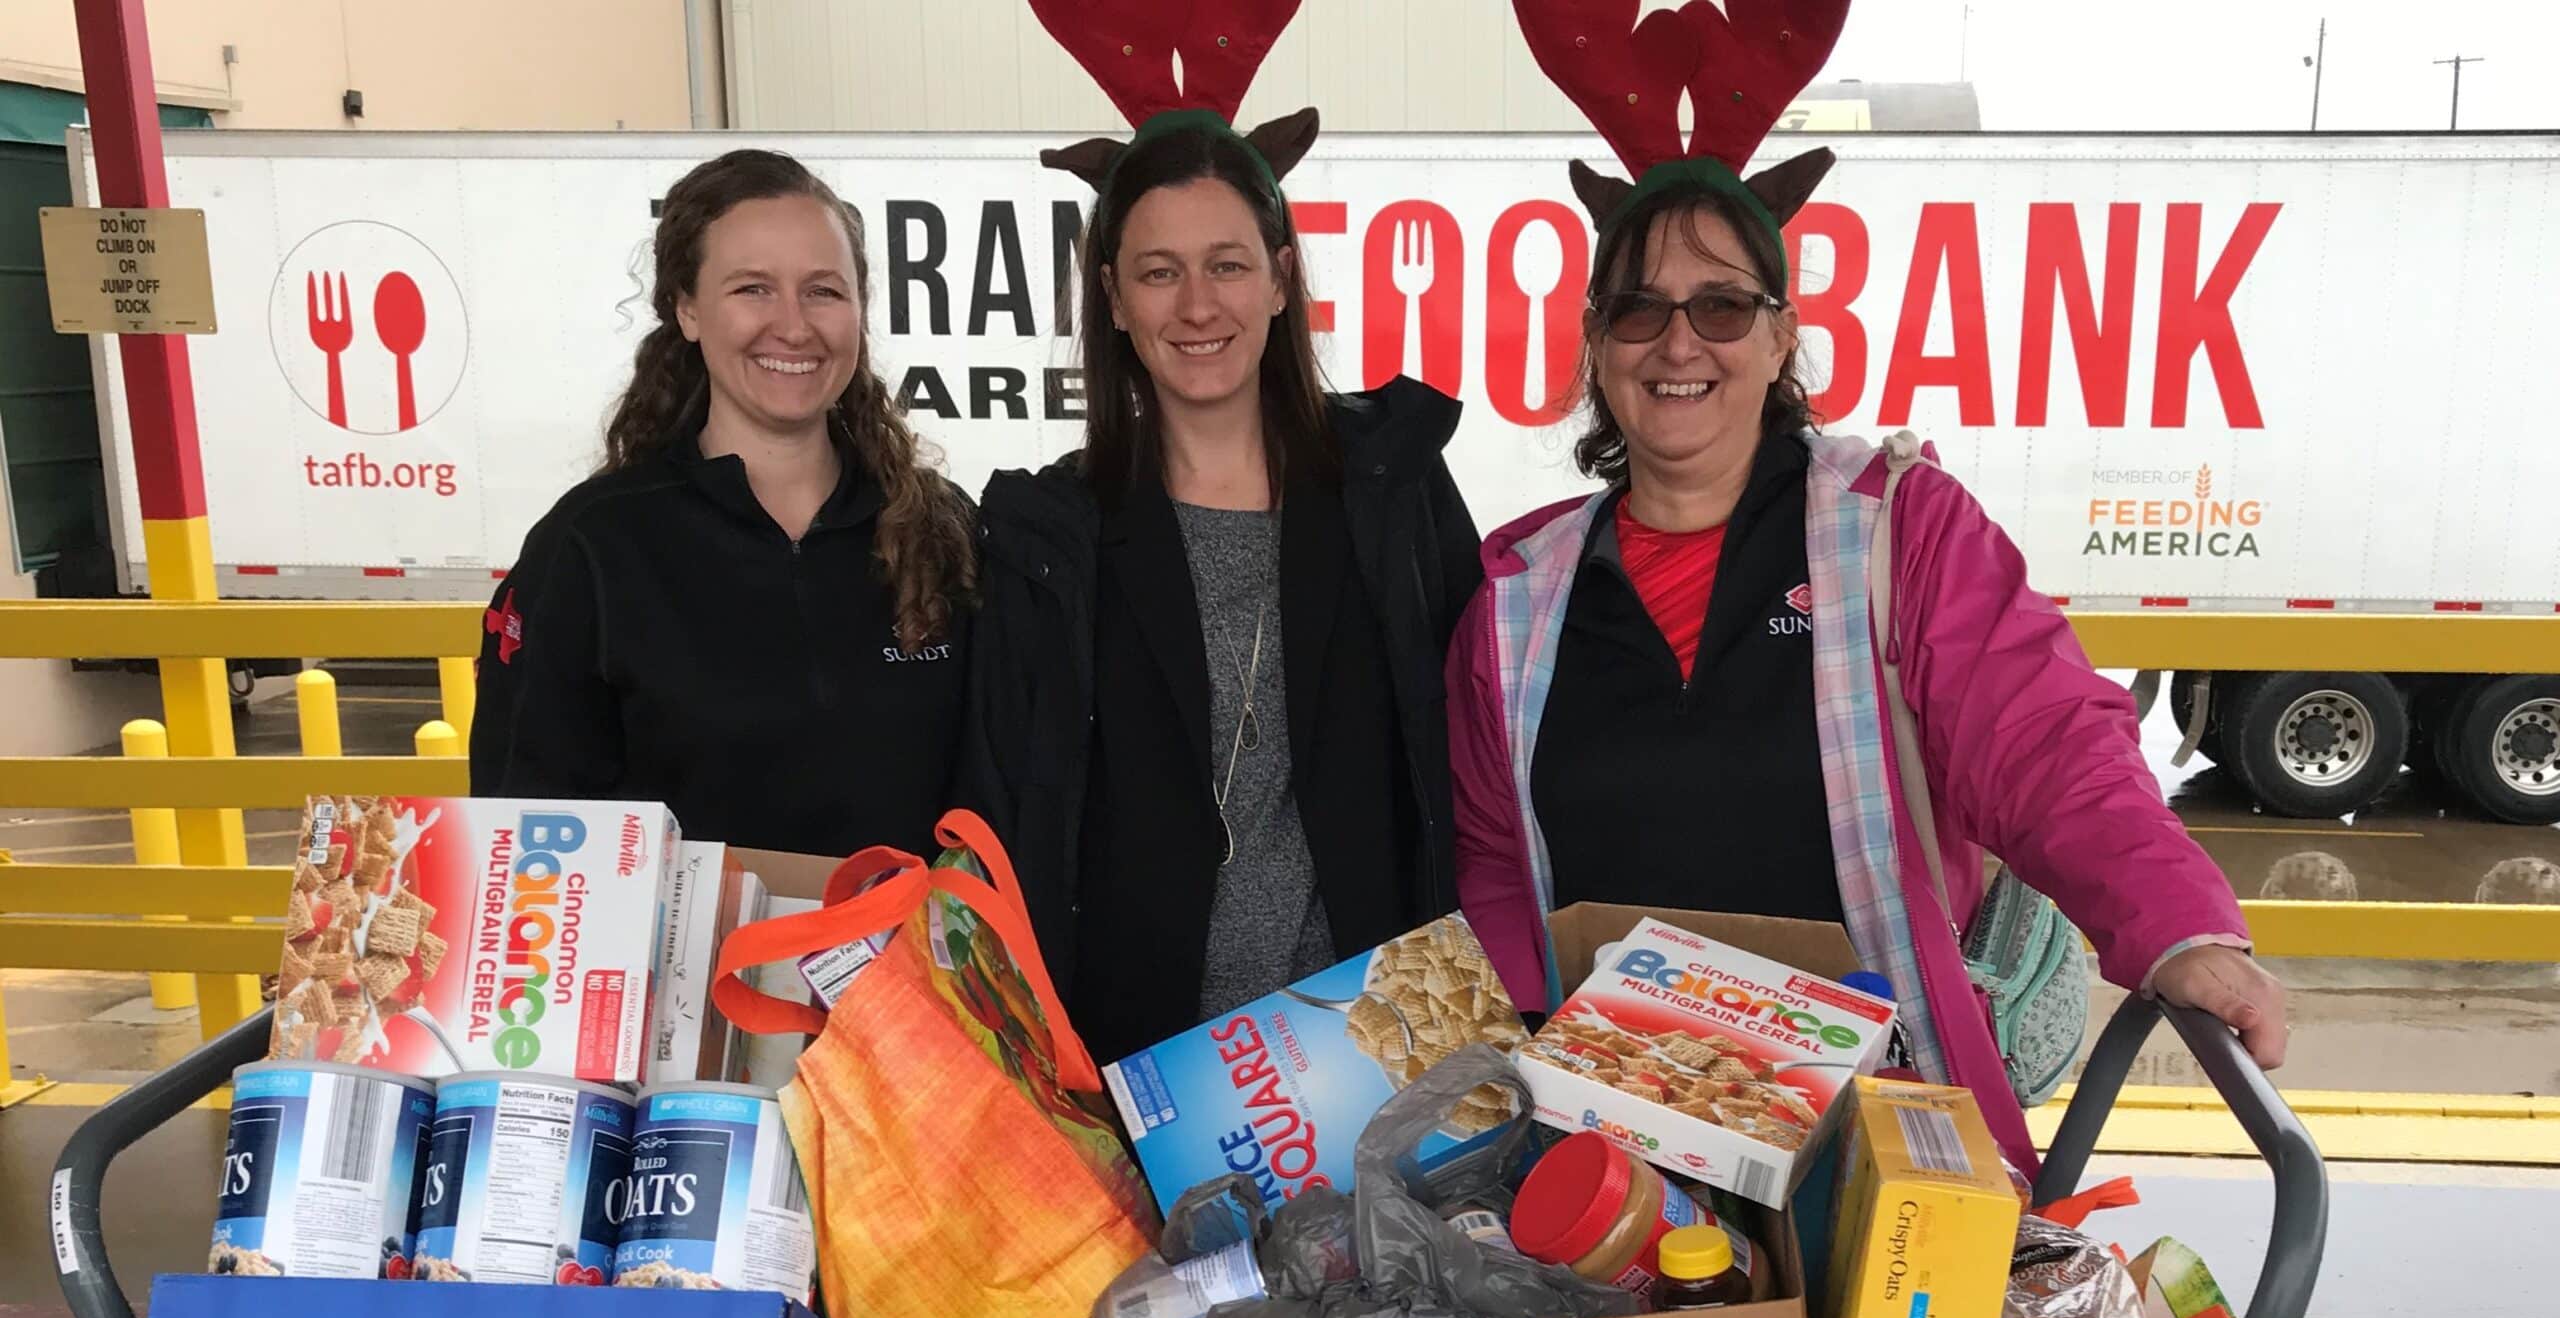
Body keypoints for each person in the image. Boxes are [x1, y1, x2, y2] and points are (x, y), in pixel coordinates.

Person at [1450, 0, 2286, 1172]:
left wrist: (2174, 929)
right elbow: (1494, 862)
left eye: (1723, 306)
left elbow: (2043, 739)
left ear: (1782, 336)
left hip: (1867, 1135)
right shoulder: (1517, 597)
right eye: (1639, 308)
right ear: (1595, 342)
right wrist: (1503, 1101)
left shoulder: (1894, 535)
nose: (1677, 342)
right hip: (1608, 1133)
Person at [966, 36, 1481, 1065]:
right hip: (1142, 1076)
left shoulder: (1393, 486)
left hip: (1383, 1052)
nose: (1197, 306)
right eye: (1159, 273)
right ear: (1113, 300)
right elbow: (998, 824)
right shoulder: (1048, 538)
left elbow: (1475, 764)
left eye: (1227, 265)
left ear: (1281, 279)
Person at [471, 149, 975, 856]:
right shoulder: (593, 548)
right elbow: (521, 828)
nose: (794, 326)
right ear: (686, 309)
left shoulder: (940, 529)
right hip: (686, 969)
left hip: (911, 967)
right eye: (753, 289)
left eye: (824, 291)